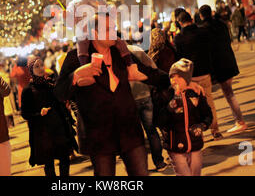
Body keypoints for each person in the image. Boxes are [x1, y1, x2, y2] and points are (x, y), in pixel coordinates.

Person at [55, 13, 170, 176]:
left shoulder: (121, 54)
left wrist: (180, 79)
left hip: (129, 130)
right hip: (99, 136)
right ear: (94, 33)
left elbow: (151, 74)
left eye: (114, 28)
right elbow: (59, 92)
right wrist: (76, 76)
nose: (114, 33)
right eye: (108, 29)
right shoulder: (76, 58)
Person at [65, 0, 147, 82]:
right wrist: (67, 17)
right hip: (84, 33)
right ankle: (86, 72)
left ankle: (131, 68)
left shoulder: (100, 1)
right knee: (82, 45)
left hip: (102, 33)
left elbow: (108, 16)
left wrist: (112, 12)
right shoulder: (74, 4)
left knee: (120, 42)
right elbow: (70, 23)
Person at [154, 59, 213, 176]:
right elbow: (158, 121)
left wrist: (203, 125)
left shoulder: (196, 93)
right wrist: (169, 108)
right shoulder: (165, 95)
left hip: (194, 143)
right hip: (175, 145)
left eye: (179, 77)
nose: (174, 80)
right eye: (172, 77)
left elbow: (207, 114)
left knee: (195, 173)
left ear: (187, 80)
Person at [21, 56, 78, 176]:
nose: (40, 68)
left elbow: (60, 105)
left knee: (64, 159)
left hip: (59, 128)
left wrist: (71, 119)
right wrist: (39, 113)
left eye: (41, 65)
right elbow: (25, 113)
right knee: (49, 163)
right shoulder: (28, 91)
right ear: (31, 70)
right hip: (43, 133)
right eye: (36, 66)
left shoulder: (51, 84)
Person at [173, 11, 223, 140]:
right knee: (210, 102)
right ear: (191, 19)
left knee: (193, 107)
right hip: (205, 73)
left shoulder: (178, 38)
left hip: (190, 77)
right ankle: (215, 130)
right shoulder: (203, 32)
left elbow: (179, 59)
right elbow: (210, 51)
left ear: (179, 22)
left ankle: (197, 135)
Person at [199, 5, 248, 134]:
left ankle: (240, 121)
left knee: (229, 94)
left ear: (201, 15)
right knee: (229, 92)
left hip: (219, 65)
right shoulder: (221, 24)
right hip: (229, 60)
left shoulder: (204, 29)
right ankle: (239, 120)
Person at [127, 43, 168, 172]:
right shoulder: (136, 50)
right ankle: (159, 162)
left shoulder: (112, 56)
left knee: (135, 135)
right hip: (144, 94)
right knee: (151, 130)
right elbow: (152, 67)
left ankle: (140, 167)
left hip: (128, 99)